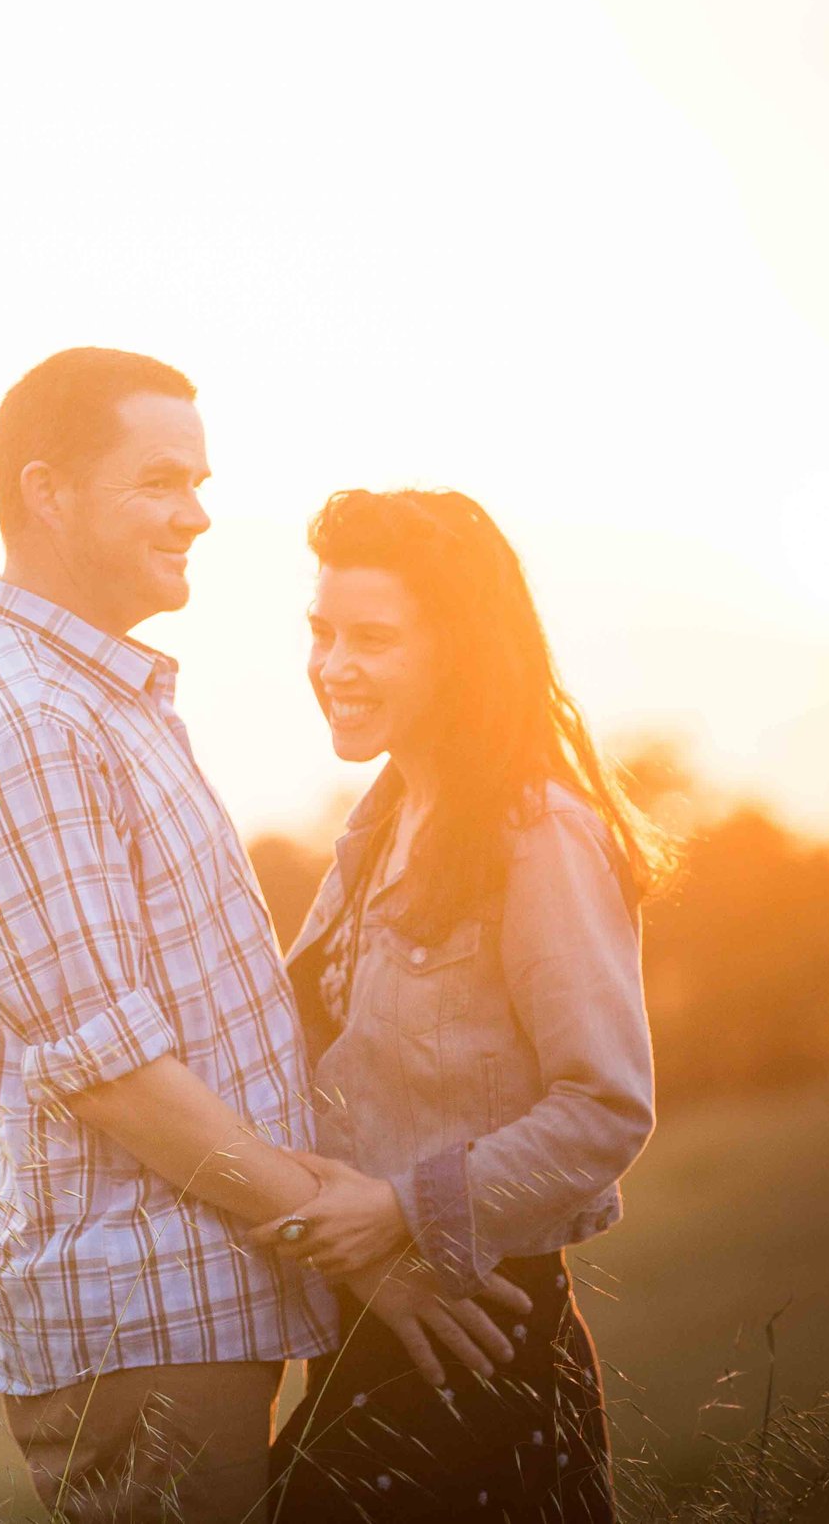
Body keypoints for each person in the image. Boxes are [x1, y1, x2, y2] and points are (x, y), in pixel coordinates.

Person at [0, 353, 525, 1524]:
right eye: (159, 481)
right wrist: (345, 1238)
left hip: (188, 1301)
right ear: (47, 493)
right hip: (143, 1318)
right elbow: (113, 1074)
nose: (196, 512)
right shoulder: (36, 723)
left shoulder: (96, 696)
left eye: (198, 480)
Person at [252, 489, 670, 1523]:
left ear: (458, 651)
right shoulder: (382, 815)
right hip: (370, 1327)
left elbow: (606, 1107)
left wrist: (400, 1211)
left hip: (479, 1340)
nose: (332, 665)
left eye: (372, 638)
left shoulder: (537, 831)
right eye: (321, 632)